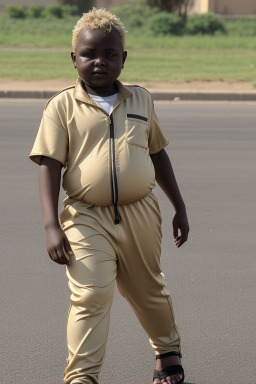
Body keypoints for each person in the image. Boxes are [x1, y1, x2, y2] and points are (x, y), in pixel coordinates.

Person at [29, 8, 189, 384]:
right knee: (91, 294)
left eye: (110, 54)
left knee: (148, 287)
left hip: (140, 213)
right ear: (74, 59)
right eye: (89, 54)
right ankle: (82, 376)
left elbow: (157, 153)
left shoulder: (141, 101)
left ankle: (167, 352)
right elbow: (49, 165)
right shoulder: (61, 107)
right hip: (84, 215)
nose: (99, 61)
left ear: (123, 59)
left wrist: (179, 207)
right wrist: (52, 225)